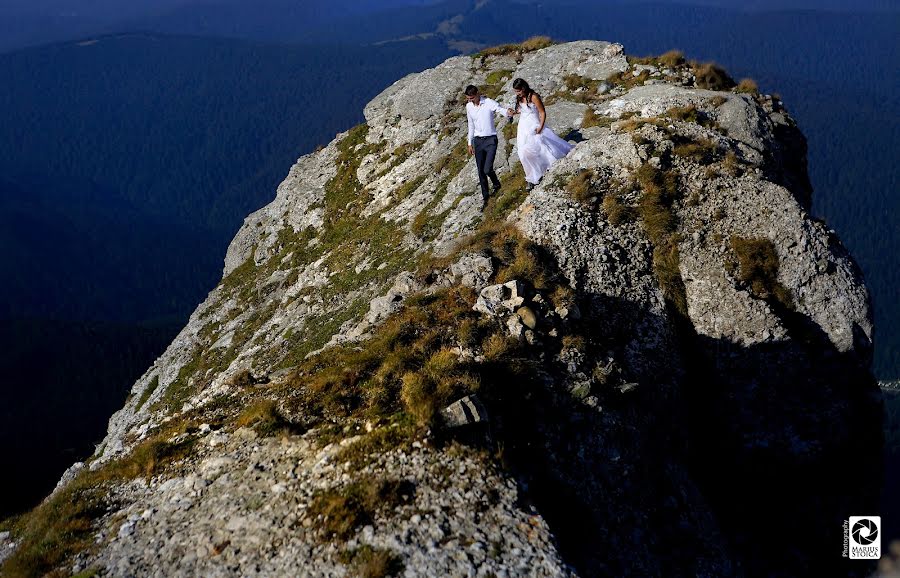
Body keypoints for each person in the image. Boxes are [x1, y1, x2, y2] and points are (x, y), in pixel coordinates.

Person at [510, 78, 573, 190]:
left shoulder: (533, 96)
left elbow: (542, 112)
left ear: (523, 88)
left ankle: (543, 170)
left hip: (534, 126)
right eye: (516, 91)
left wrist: (541, 126)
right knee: (522, 153)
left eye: (518, 91)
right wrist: (514, 112)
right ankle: (532, 176)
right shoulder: (519, 98)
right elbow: (522, 110)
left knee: (538, 148)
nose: (517, 93)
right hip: (523, 127)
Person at [464, 84, 515, 209]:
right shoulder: (469, 107)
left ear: (477, 94)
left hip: (491, 139)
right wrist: (470, 143)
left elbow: (499, 109)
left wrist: (508, 113)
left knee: (487, 169)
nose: (470, 100)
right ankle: (486, 198)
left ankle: (496, 183)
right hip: (478, 141)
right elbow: (471, 125)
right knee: (480, 171)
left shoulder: (488, 102)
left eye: (471, 98)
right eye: (468, 98)